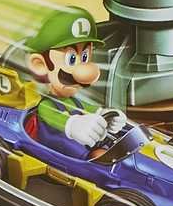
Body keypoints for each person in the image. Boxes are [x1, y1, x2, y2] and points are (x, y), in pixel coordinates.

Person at [17, 10, 130, 160]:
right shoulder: (46, 106)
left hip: (82, 147)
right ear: (40, 64)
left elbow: (93, 110)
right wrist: (74, 125)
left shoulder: (74, 101)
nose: (85, 69)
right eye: (71, 58)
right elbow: (60, 120)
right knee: (99, 157)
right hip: (62, 152)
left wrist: (108, 115)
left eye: (84, 57)